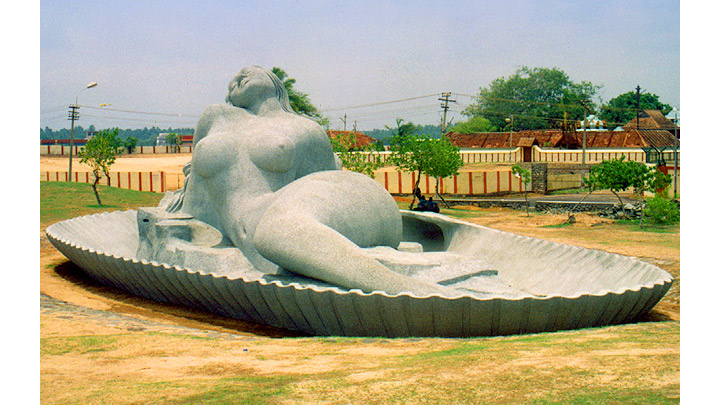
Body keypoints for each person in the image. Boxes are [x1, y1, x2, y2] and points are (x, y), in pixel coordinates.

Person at [164, 66, 451, 296]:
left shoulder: (306, 128)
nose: (239, 76)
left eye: (253, 71)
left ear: (276, 84)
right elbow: (196, 194)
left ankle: (414, 293)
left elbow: (330, 187)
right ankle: (413, 292)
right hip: (259, 225)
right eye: (232, 82)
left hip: (309, 202)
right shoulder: (216, 117)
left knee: (278, 231)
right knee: (276, 231)